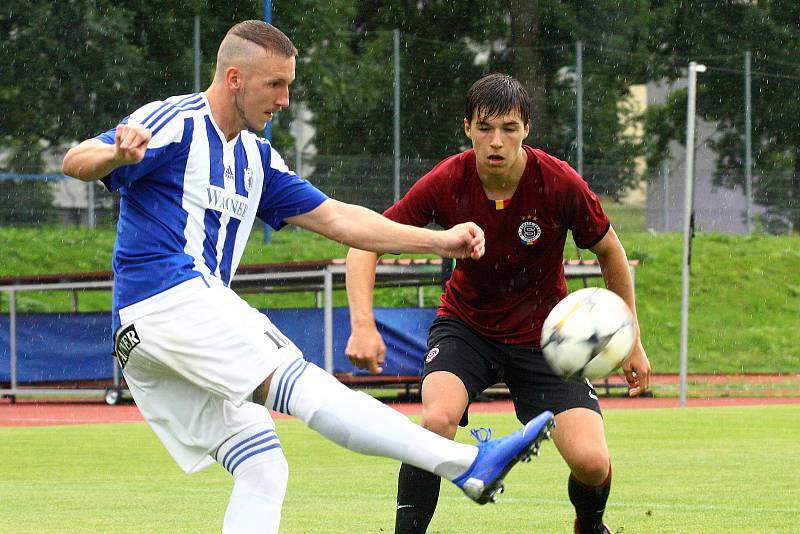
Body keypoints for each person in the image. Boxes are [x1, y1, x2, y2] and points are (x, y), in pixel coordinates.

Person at [61, 22, 555, 534]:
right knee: (300, 382)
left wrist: (439, 240)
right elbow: (76, 161)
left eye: (290, 85)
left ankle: (466, 466)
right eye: (276, 85)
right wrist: (116, 154)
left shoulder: (256, 159)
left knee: (262, 465)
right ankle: (467, 465)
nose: (286, 100)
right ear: (235, 78)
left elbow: (339, 219)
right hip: (168, 301)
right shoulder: (176, 122)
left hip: (144, 337)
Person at [345, 73, 652, 534]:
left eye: (508, 128)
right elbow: (363, 243)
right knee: (436, 422)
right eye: (485, 127)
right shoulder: (447, 180)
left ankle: (590, 525)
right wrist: (363, 324)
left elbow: (611, 251)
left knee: (591, 462)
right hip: (467, 329)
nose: (496, 141)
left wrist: (631, 339)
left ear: (526, 128)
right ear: (467, 127)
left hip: (547, 340)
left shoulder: (559, 182)